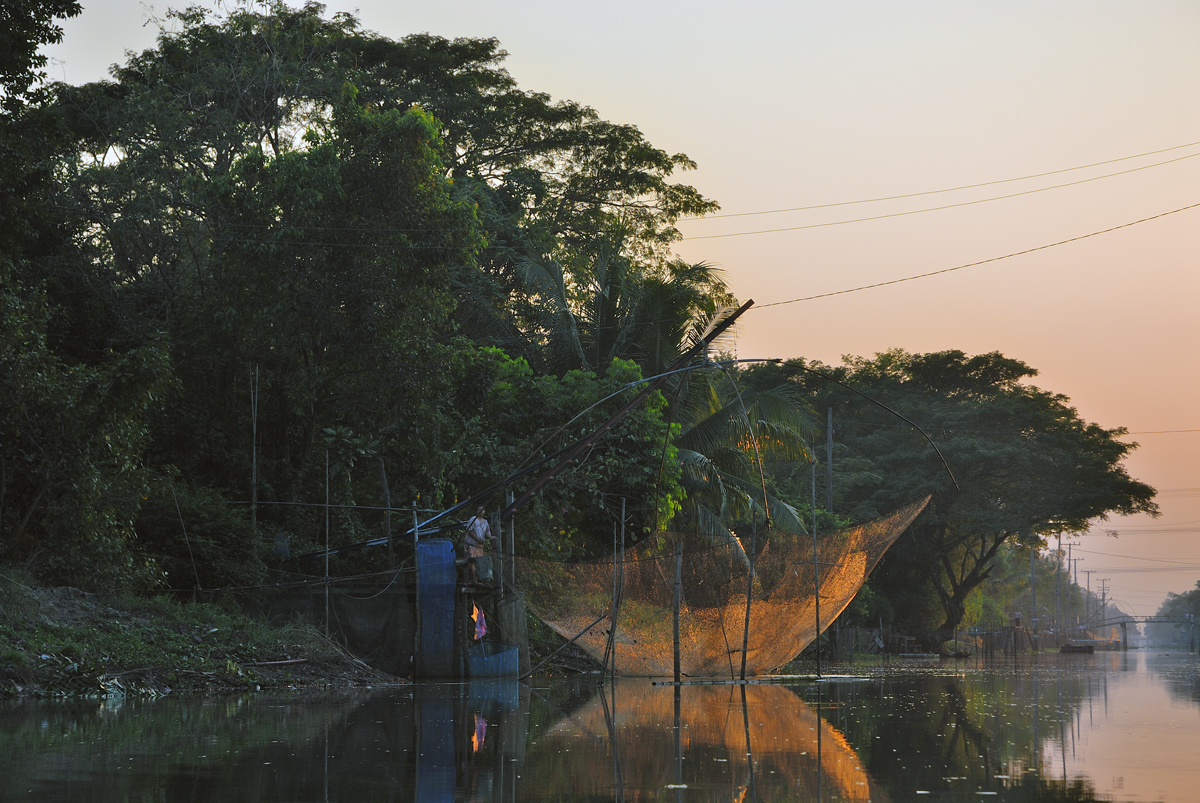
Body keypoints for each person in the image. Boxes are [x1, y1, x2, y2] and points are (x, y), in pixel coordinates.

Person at [465, 506, 493, 584]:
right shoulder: (473, 519)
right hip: (472, 544)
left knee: (479, 562)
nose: (480, 511)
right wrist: (477, 539)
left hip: (480, 546)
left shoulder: (485, 522)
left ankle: (477, 580)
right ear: (476, 511)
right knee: (472, 562)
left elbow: (487, 533)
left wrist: (492, 537)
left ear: (484, 511)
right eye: (479, 510)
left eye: (482, 510)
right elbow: (469, 531)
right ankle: (473, 581)